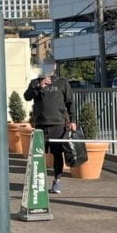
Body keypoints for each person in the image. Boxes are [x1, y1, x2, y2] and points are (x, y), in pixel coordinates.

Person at [24, 61, 75, 194]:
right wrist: (40, 86)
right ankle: (38, 182)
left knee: (58, 154)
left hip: (58, 124)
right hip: (41, 123)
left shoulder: (62, 82)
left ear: (54, 67)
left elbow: (70, 102)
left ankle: (57, 181)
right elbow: (27, 96)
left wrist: (73, 120)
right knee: (38, 155)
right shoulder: (35, 82)